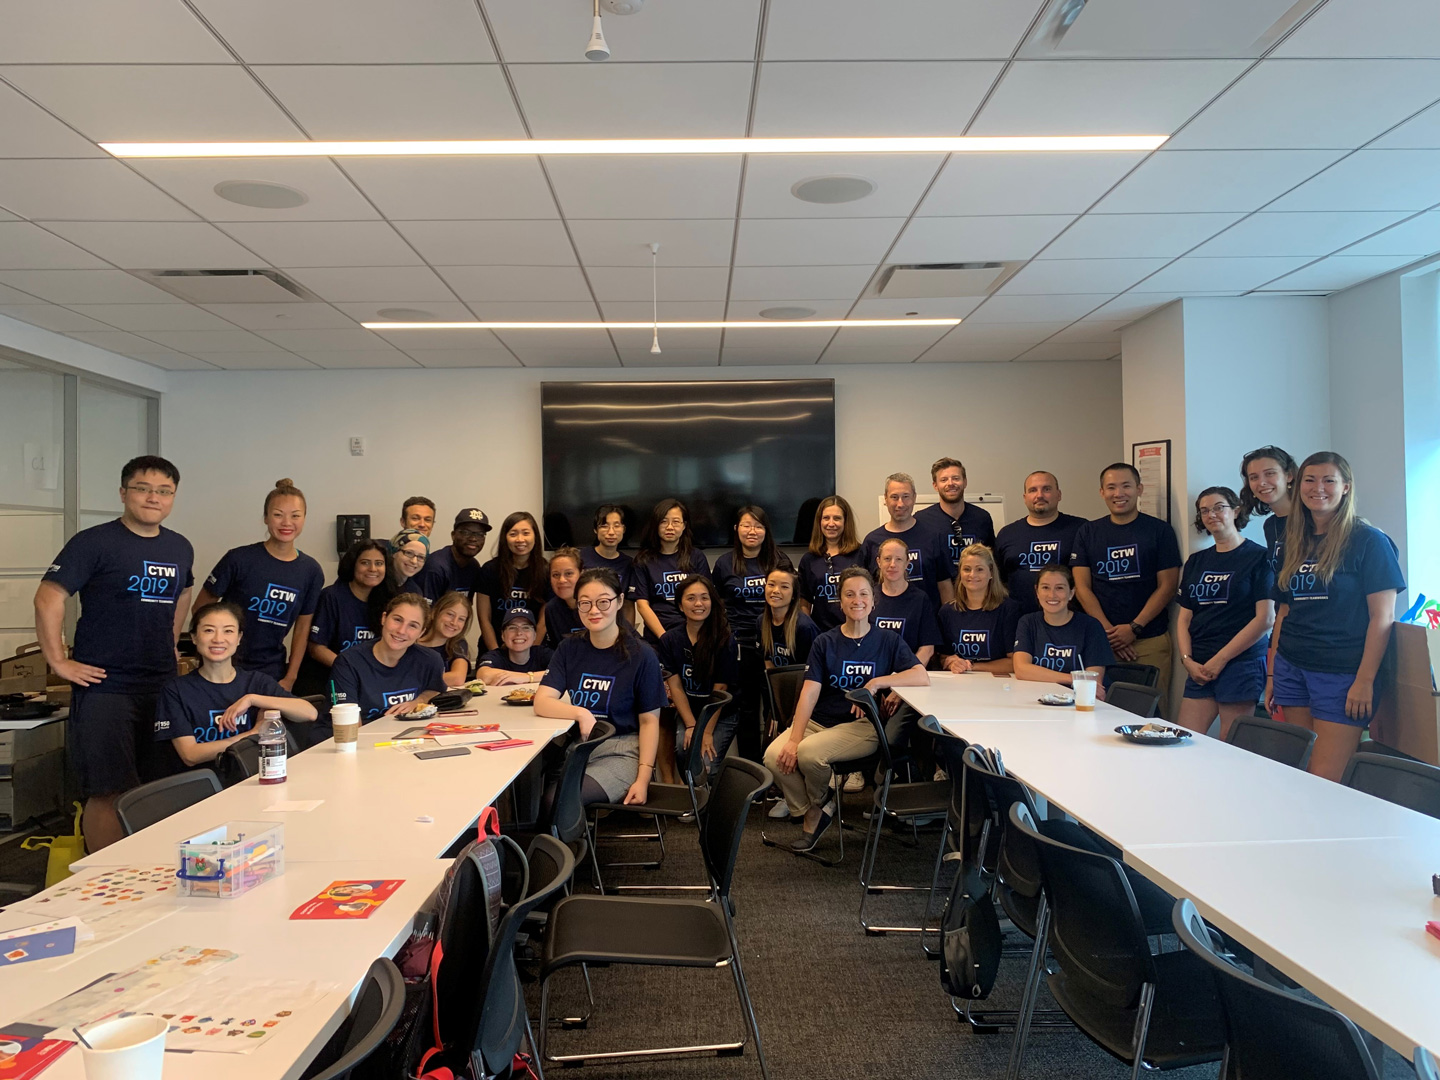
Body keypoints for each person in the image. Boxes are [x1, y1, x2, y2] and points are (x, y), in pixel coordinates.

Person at [34, 455, 194, 851]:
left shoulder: (179, 547)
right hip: (106, 687)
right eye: (143, 488)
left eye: (164, 491)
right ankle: (103, 878)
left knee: (159, 785)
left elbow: (184, 593)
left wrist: (171, 643)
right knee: (108, 790)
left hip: (160, 685)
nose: (153, 497)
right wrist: (58, 660)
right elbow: (47, 597)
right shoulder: (93, 542)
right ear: (123, 493)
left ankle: (149, 870)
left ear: (173, 497)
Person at [763, 567, 928, 852]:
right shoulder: (825, 641)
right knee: (773, 756)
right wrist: (793, 737)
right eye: (849, 594)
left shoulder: (887, 640)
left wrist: (876, 683)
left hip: (863, 727)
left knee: (809, 755)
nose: (857, 600)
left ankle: (815, 811)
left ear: (873, 602)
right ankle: (818, 805)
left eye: (864, 594)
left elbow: (920, 675)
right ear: (841, 602)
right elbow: (810, 691)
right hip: (819, 721)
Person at [1267, 453, 1405, 782]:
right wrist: (1272, 673)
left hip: (1342, 672)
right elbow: (1284, 611)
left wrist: (1365, 680)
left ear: (1346, 488)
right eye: (1310, 480)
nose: (1319, 488)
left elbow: (1382, 618)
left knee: (1325, 777)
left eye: (1329, 480)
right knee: (1299, 771)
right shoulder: (1293, 541)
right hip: (1292, 665)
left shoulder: (1368, 541)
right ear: (1298, 487)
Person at [534, 569, 668, 808]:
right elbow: (542, 701)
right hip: (579, 748)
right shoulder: (569, 648)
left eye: (603, 602)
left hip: (622, 750)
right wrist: (581, 713)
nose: (594, 611)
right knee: (528, 792)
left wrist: (644, 777)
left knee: (556, 801)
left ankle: (567, 845)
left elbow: (649, 722)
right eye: (585, 603)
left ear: (618, 602)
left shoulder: (641, 654)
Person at [1071, 463, 1182, 711]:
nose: (1118, 493)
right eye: (1111, 487)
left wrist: (1134, 628)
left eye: (1126, 486)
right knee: (1098, 712)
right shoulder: (1088, 532)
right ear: (1101, 492)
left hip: (1149, 639)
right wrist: (1109, 633)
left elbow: (1168, 586)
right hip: (1101, 642)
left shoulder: (1159, 531)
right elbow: (1082, 587)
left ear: (1139, 489)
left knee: (1152, 716)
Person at [192, 479, 323, 688]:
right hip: (223, 666)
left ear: (304, 518)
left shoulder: (311, 571)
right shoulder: (238, 559)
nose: (287, 523)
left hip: (272, 671)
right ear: (265, 518)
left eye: (295, 516)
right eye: (278, 514)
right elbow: (200, 608)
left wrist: (291, 677)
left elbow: (303, 627)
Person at [154, 600, 317, 766]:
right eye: (209, 630)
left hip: (253, 779)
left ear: (239, 638)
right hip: (206, 786)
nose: (218, 639)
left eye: (228, 631)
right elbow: (190, 755)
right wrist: (253, 735)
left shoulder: (257, 682)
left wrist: (252, 699)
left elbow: (309, 712)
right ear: (194, 637)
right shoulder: (175, 690)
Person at [1176, 489, 1275, 739]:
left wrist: (1221, 659)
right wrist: (1187, 660)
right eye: (1205, 510)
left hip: (1240, 663)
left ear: (1236, 510)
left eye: (1219, 507)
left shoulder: (1259, 557)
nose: (1212, 514)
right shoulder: (1196, 561)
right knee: (1181, 741)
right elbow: (1184, 618)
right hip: (1199, 665)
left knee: (1232, 747)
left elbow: (1265, 619)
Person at [713, 505, 792, 762]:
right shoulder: (725, 563)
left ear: (765, 530)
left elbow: (792, 602)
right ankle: (752, 770)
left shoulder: (779, 560)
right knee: (746, 709)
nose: (752, 531)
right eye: (746, 525)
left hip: (774, 643)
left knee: (776, 708)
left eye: (758, 526)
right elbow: (718, 605)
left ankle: (777, 767)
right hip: (739, 644)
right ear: (736, 529)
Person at [656, 576, 740, 781]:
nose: (699, 604)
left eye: (704, 598)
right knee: (685, 751)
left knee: (705, 761)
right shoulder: (670, 640)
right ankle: (694, 800)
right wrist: (693, 726)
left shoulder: (725, 638)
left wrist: (706, 731)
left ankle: (713, 805)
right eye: (691, 598)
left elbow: (720, 692)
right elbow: (675, 687)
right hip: (690, 711)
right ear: (680, 605)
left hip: (720, 713)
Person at [330, 593, 446, 722]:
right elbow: (348, 723)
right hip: (352, 737)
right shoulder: (348, 662)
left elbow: (435, 690)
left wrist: (419, 701)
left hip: (399, 737)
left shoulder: (430, 660)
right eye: (397, 620)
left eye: (413, 626)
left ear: (422, 632)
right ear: (384, 618)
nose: (401, 631)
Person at [300, 539, 387, 696]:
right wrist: (351, 669)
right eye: (365, 563)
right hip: (326, 682)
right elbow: (316, 648)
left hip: (367, 682)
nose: (373, 569)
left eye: (379, 563)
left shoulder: (387, 600)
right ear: (353, 564)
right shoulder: (331, 596)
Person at [994, 471, 1086, 615]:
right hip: (1019, 622)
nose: (1039, 495)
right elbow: (999, 582)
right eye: (1033, 490)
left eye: (1046, 489)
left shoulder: (1081, 529)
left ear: (1059, 494)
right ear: (1025, 498)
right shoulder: (1007, 534)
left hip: (1070, 624)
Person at [859, 473, 954, 609]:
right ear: (885, 498)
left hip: (926, 621)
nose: (900, 504)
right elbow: (863, 588)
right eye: (894, 497)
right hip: (883, 622)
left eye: (906, 497)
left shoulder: (933, 537)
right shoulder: (872, 541)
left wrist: (948, 621)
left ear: (914, 498)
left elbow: (945, 585)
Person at [1014, 565, 1113, 691]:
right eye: (1045, 588)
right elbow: (1021, 669)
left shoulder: (1091, 626)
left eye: (1059, 588)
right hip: (1040, 698)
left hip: (1079, 702)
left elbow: (1093, 684)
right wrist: (1073, 679)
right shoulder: (1028, 622)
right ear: (1037, 592)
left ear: (1071, 593)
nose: (1052, 595)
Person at [630, 498, 711, 638]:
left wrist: (695, 634)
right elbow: (642, 605)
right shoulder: (643, 560)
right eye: (663, 521)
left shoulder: (697, 557)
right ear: (656, 525)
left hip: (695, 631)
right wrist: (664, 637)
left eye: (676, 522)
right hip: (658, 633)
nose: (670, 527)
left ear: (684, 525)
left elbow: (706, 600)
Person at [939, 544, 1021, 675]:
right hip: (959, 685)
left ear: (991, 573)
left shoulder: (1008, 609)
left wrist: (971, 666)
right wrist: (952, 663)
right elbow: (944, 658)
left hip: (998, 686)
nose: (972, 575)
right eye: (967, 569)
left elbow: (1014, 663)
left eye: (979, 569)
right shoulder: (947, 611)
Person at [476, 512, 550, 651]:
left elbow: (542, 623)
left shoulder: (546, 571)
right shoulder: (490, 570)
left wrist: (529, 655)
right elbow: (484, 619)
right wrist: (496, 654)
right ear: (505, 538)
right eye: (513, 534)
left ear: (535, 537)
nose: (520, 539)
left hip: (532, 649)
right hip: (495, 647)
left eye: (526, 533)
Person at [915, 456, 996, 579]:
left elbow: (992, 562)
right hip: (937, 594)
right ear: (935, 486)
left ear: (965, 482)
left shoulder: (982, 518)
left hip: (976, 591)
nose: (950, 483)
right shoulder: (922, 520)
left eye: (956, 478)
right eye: (944, 480)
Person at [797, 495, 864, 632]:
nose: (831, 523)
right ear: (819, 521)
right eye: (826, 518)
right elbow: (805, 602)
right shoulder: (809, 559)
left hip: (856, 632)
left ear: (846, 522)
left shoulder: (861, 554)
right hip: (821, 634)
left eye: (837, 518)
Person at [1239, 445, 1298, 578]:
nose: (1262, 483)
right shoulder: (1270, 525)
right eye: (1254, 477)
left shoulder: (1314, 518)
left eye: (1270, 473)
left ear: (1289, 476)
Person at [409, 508, 490, 601]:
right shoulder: (436, 567)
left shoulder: (474, 566)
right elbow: (426, 612)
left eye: (480, 534)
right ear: (453, 535)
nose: (473, 539)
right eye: (466, 532)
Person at [476, 608, 554, 686]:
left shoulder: (543, 653)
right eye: (512, 628)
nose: (519, 633)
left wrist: (525, 677)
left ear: (534, 635)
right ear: (503, 635)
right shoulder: (495, 656)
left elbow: (561, 671)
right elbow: (483, 675)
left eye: (526, 627)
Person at [761, 567, 818, 670]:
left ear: (793, 594)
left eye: (784, 587)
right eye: (771, 585)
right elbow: (767, 662)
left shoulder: (805, 627)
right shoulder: (761, 622)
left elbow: (810, 670)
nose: (776, 591)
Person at [417, 591, 473, 688]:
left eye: (461, 619)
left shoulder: (458, 644)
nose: (454, 622)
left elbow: (457, 678)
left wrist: (414, 681)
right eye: (450, 614)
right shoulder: (411, 640)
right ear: (434, 613)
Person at [581, 504, 634, 596]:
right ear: (595, 529)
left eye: (616, 526)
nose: (611, 532)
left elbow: (628, 602)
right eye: (604, 526)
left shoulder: (629, 564)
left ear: (623, 529)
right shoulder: (581, 557)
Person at [543, 546, 586, 647]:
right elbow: (556, 649)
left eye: (568, 573)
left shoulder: (598, 604)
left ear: (581, 574)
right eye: (556, 575)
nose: (562, 580)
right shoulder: (552, 609)